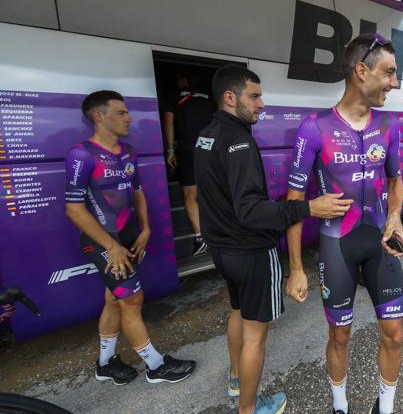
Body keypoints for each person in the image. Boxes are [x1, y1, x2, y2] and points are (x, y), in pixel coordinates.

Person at [194, 65, 353, 414]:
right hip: (249, 251)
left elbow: (205, 196)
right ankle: (249, 409)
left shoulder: (206, 134)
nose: (262, 104)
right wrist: (307, 208)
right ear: (230, 97)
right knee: (255, 333)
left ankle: (237, 379)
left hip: (222, 250)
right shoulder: (239, 141)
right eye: (255, 96)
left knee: (238, 312)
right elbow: (250, 211)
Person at [285, 33, 403, 414]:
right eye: (388, 72)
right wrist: (295, 269)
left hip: (379, 242)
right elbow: (292, 203)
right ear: (361, 71)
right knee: (339, 336)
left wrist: (394, 216)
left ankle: (384, 408)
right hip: (336, 245)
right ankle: (340, 406)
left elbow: (396, 180)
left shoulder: (389, 125)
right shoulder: (314, 128)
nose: (395, 82)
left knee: (395, 334)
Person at [65, 90, 196, 385]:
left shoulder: (127, 151)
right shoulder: (81, 154)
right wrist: (112, 247)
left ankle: (105, 363)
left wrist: (146, 229)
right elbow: (73, 209)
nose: (129, 118)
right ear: (99, 116)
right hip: (103, 243)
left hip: (130, 238)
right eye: (121, 113)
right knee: (132, 300)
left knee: (115, 298)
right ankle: (155, 366)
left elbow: (137, 193)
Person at [163, 71, 216, 256]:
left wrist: (170, 151)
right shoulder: (210, 99)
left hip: (189, 149)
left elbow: (168, 123)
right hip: (211, 149)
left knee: (190, 194)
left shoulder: (174, 97)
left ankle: (201, 238)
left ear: (184, 79)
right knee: (211, 191)